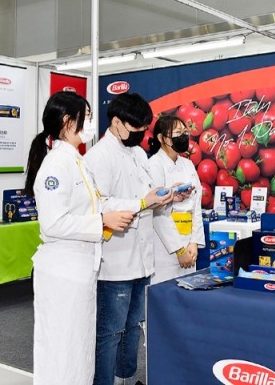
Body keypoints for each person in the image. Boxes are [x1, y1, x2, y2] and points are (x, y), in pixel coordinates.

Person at [24, 91, 136, 385]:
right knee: (62, 353)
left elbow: (96, 203)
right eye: (85, 117)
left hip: (80, 270)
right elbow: (53, 223)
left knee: (79, 349)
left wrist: (137, 204)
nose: (90, 123)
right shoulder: (56, 165)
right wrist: (101, 222)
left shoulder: (77, 161)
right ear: (66, 121)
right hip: (63, 272)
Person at [84, 92, 184, 385]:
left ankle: (124, 379)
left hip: (142, 260)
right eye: (136, 129)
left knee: (131, 326)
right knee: (110, 331)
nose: (141, 135)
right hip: (115, 262)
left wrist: (167, 196)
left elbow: (148, 196)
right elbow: (99, 207)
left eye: (144, 130)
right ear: (116, 122)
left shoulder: (138, 154)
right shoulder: (98, 158)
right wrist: (142, 202)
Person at [148, 114, 205, 284]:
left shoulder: (187, 165)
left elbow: (196, 206)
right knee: (165, 295)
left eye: (184, 132)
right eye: (177, 132)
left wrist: (194, 242)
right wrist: (178, 250)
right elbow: (157, 213)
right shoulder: (154, 165)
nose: (183, 136)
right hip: (165, 248)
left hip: (189, 245)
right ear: (161, 138)